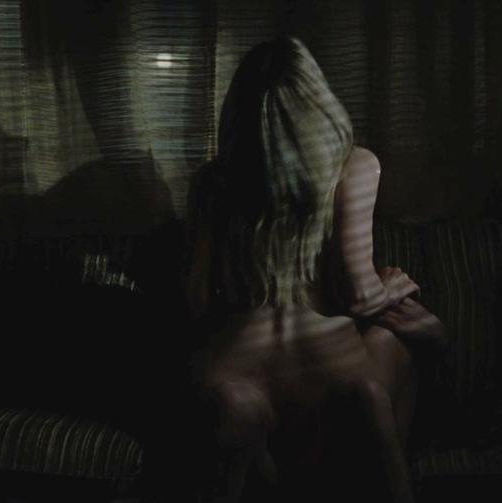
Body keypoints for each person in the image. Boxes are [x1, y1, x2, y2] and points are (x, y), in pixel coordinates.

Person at [186, 36, 445, 503]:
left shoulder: (211, 181)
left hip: (235, 366)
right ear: (317, 101)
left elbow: (197, 301)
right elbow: (360, 296)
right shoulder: (354, 166)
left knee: (231, 426)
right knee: (385, 365)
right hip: (323, 368)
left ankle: (261, 456)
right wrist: (393, 286)